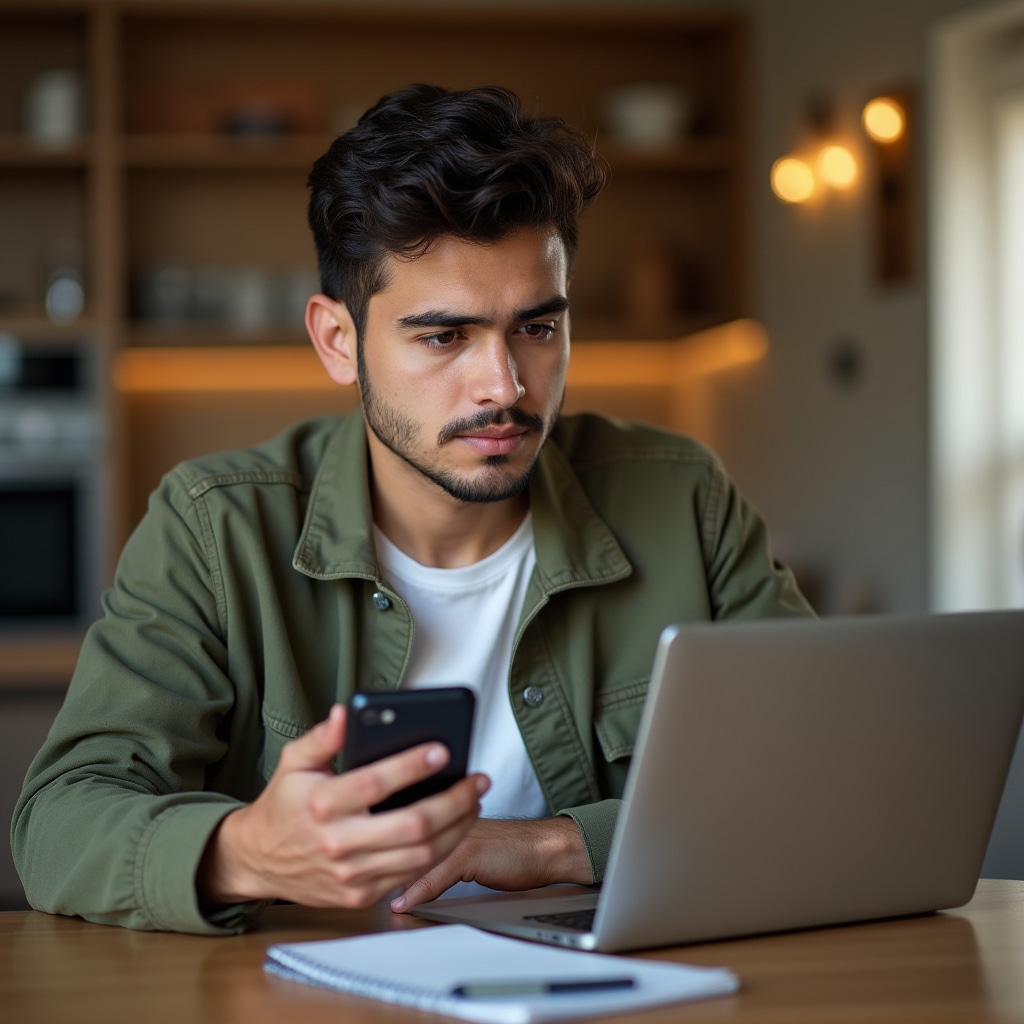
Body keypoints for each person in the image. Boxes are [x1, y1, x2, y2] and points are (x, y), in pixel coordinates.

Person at [12, 84, 813, 935]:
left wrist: (555, 847)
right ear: (338, 341)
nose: (503, 387)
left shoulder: (682, 496)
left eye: (537, 329)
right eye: (444, 336)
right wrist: (247, 852)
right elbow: (59, 822)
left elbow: (821, 773)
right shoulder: (214, 528)